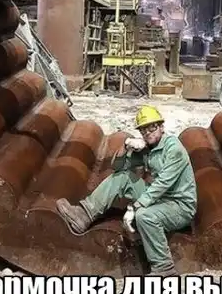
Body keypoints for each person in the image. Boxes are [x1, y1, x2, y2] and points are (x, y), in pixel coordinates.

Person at [56, 105, 197, 276]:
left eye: (152, 127)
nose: (148, 132)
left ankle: (164, 267)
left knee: (145, 216)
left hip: (180, 206)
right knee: (123, 178)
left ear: (161, 127)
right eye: (143, 129)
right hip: (161, 199)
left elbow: (163, 184)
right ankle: (84, 214)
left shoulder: (174, 149)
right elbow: (117, 167)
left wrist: (134, 208)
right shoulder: (148, 148)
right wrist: (126, 146)